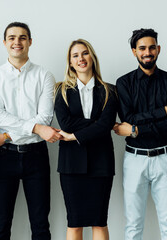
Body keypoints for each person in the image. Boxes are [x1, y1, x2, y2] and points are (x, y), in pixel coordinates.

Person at [0, 21, 62, 240]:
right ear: (4, 42)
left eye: (22, 37)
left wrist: (8, 134)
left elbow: (45, 117)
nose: (17, 42)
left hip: (36, 155)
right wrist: (37, 128)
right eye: (12, 38)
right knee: (0, 222)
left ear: (30, 41)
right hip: (4, 156)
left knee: (40, 224)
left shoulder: (44, 76)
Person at [113, 28, 167, 240]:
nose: (147, 52)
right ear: (134, 51)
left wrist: (135, 130)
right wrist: (163, 111)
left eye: (152, 47)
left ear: (158, 49)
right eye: (142, 48)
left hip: (166, 158)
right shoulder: (123, 83)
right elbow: (128, 118)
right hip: (135, 159)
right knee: (133, 225)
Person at [54, 39, 117, 240]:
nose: (81, 58)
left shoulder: (110, 90)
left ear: (92, 58)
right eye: (75, 55)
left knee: (99, 221)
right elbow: (66, 123)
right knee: (75, 222)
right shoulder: (61, 90)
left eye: (85, 53)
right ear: (70, 62)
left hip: (101, 164)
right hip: (71, 165)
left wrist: (76, 136)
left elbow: (106, 124)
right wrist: (97, 124)